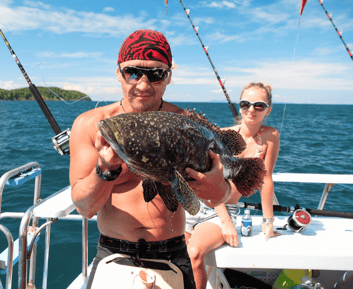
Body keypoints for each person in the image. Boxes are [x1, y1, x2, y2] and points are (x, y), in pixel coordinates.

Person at [69, 29, 232, 289]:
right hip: (112, 253)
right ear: (118, 72)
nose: (143, 85)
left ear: (168, 77)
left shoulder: (185, 125)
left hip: (174, 253)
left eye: (156, 74)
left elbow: (217, 197)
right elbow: (85, 208)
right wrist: (105, 169)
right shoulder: (90, 125)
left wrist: (219, 189)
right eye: (132, 72)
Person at [185, 82, 280, 289]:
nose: (251, 110)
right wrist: (226, 222)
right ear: (240, 106)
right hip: (193, 205)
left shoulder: (270, 136)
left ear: (268, 110)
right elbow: (211, 179)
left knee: (194, 253)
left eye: (259, 105)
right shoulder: (222, 133)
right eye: (246, 104)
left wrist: (268, 221)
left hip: (219, 212)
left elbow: (266, 179)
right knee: (175, 257)